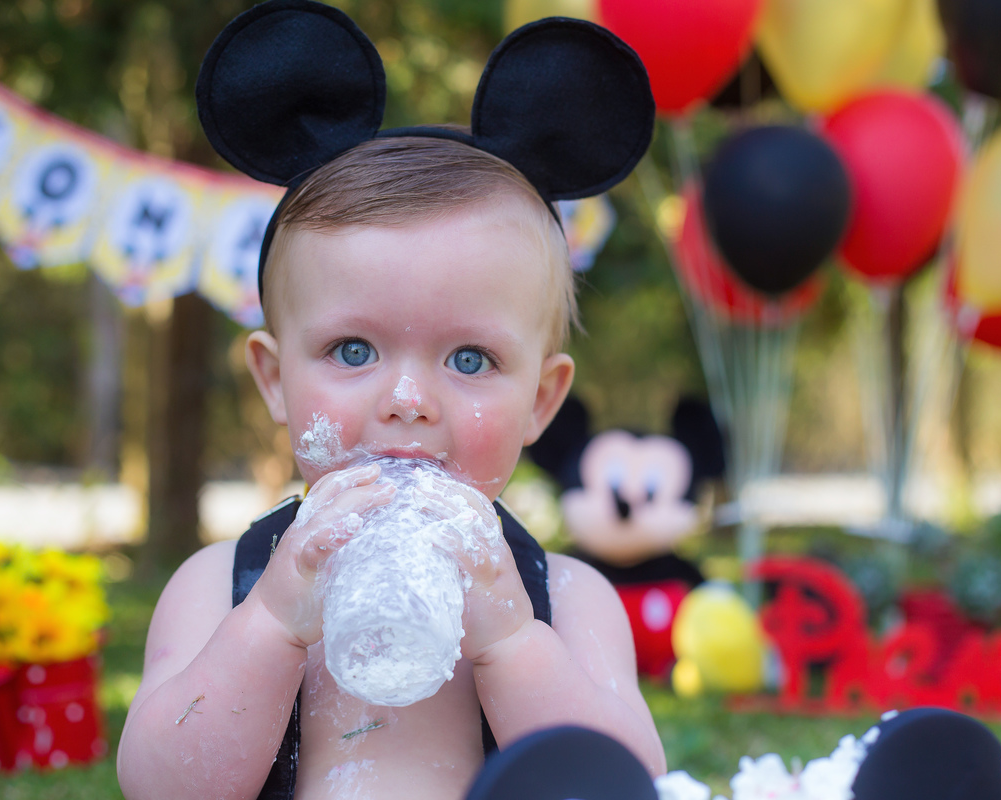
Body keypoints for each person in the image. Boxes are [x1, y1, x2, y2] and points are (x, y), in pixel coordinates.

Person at [117, 3, 664, 799]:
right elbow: (160, 788)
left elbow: (629, 783)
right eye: (354, 351)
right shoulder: (220, 586)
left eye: (470, 359)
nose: (408, 401)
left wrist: (513, 643)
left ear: (542, 401)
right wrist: (269, 624)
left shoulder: (570, 601)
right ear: (275, 380)